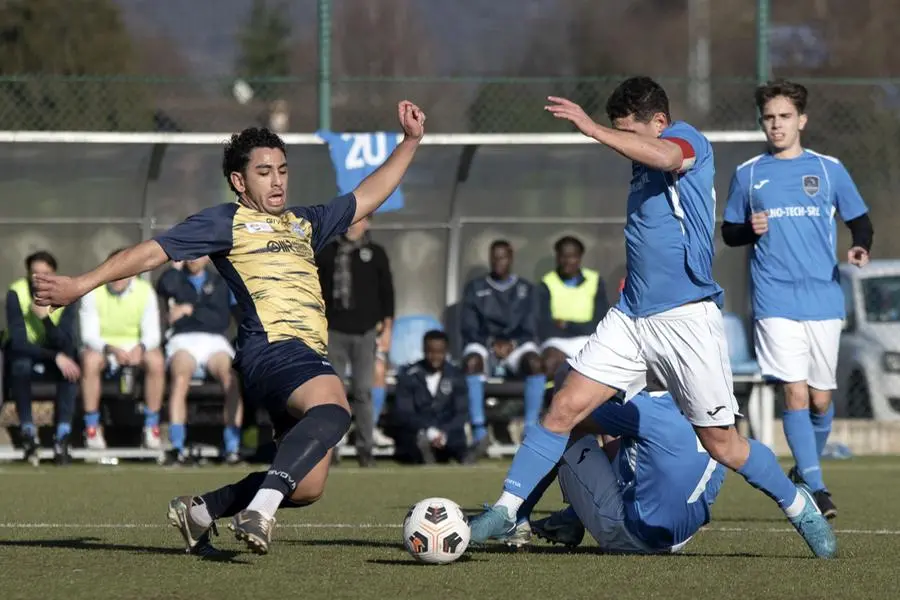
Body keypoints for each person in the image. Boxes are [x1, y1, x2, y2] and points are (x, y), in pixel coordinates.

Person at [32, 100, 426, 556]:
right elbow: (150, 252)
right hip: (273, 349)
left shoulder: (305, 223)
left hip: (301, 358)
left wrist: (410, 142)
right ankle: (259, 511)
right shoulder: (226, 222)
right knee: (336, 411)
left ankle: (201, 510)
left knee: (307, 486)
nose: (277, 180)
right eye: (264, 172)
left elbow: (367, 195)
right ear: (239, 181)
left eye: (281, 169)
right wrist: (80, 284)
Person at [466, 76, 836, 559]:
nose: (624, 143)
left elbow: (666, 155)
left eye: (630, 132)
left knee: (722, 443)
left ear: (658, 123)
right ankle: (507, 510)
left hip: (686, 319)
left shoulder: (688, 141)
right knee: (563, 408)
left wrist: (594, 129)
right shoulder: (643, 159)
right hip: (631, 318)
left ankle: (798, 505)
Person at [722, 80, 873, 519]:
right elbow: (730, 231)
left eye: (785, 116)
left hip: (823, 298)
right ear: (762, 123)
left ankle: (805, 471)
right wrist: (751, 229)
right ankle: (818, 488)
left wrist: (860, 245)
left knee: (822, 399)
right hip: (773, 299)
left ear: (801, 120)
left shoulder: (828, 169)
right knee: (795, 392)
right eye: (769, 118)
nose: (776, 125)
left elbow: (860, 220)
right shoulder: (749, 173)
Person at [498, 366, 725, 554]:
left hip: (635, 537)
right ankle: (573, 517)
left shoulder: (650, 409)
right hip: (677, 541)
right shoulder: (719, 416)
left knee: (559, 426)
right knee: (619, 435)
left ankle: (518, 518)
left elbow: (565, 419)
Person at [316, 214, 395, 467]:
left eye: (359, 220)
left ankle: (366, 448)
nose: (353, 225)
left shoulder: (376, 253)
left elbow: (387, 293)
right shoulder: (328, 252)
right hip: (334, 331)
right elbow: (316, 290)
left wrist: (388, 329)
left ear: (368, 223)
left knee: (362, 390)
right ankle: (332, 447)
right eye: (349, 220)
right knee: (333, 393)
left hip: (365, 332)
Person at [461, 240, 545, 458]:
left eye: (503, 257)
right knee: (471, 361)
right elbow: (469, 326)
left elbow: (531, 326)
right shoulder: (475, 288)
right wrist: (491, 344)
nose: (498, 262)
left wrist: (513, 345)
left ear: (511, 258)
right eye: (494, 257)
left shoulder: (526, 289)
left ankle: (530, 431)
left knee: (535, 362)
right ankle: (479, 433)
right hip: (486, 346)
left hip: (515, 347)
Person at [156, 255, 244, 465]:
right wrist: (175, 267)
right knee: (181, 376)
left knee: (231, 378)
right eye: (190, 253)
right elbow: (164, 286)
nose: (194, 258)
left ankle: (232, 447)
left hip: (215, 341)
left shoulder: (221, 280)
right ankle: (177, 447)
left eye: (200, 253)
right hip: (183, 341)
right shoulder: (174, 278)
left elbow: (221, 318)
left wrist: (189, 310)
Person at [78, 249, 165, 451]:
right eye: (114, 270)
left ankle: (152, 427)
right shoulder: (93, 291)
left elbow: (153, 335)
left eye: (123, 271)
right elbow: (88, 335)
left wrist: (140, 348)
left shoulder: (145, 291)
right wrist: (111, 349)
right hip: (104, 348)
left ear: (133, 273)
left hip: (135, 347)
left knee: (156, 360)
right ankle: (92, 428)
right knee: (89, 360)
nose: (117, 277)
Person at [3, 251, 80, 465]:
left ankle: (63, 436)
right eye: (35, 274)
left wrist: (45, 319)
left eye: (45, 274)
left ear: (54, 274)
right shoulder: (16, 293)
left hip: (53, 355)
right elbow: (18, 343)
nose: (40, 279)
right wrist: (55, 356)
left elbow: (66, 342)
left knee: (71, 369)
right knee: (20, 367)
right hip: (26, 354)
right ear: (28, 274)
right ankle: (28, 433)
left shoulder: (67, 295)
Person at [391, 330, 469, 465]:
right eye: (431, 351)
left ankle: (467, 457)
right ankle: (426, 454)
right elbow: (405, 413)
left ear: (446, 351)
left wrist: (443, 433)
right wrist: (429, 431)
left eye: (440, 352)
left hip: (447, 433)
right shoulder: (409, 376)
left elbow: (461, 413)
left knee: (458, 440)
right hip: (419, 433)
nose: (435, 356)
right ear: (424, 350)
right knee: (412, 439)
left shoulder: (456, 376)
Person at [537, 235, 609, 378]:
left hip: (588, 339)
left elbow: (599, 322)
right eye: (563, 256)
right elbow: (545, 326)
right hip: (557, 342)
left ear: (580, 257)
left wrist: (567, 324)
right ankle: (551, 398)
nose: (567, 261)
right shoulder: (547, 283)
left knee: (600, 361)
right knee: (550, 362)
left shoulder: (595, 281)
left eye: (572, 256)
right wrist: (577, 327)